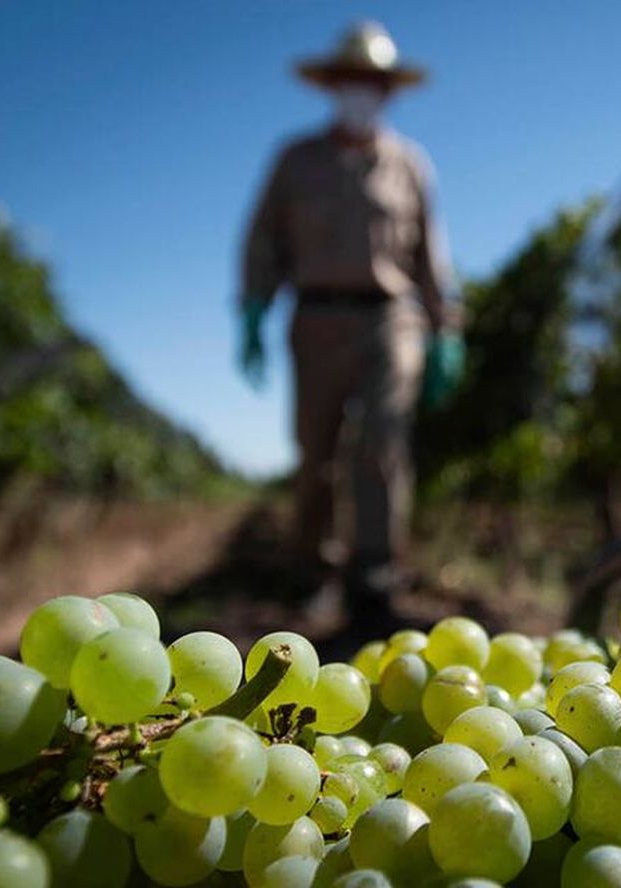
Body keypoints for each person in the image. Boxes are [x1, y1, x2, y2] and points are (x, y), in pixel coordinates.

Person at [238, 21, 458, 622]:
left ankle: (377, 576)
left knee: (383, 442)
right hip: (316, 318)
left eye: (374, 83)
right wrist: (253, 310)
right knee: (318, 450)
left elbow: (430, 255)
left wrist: (445, 330)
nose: (362, 92)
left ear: (388, 92)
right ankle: (314, 567)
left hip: (391, 318)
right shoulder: (295, 161)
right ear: (333, 86)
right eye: (352, 81)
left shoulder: (410, 166)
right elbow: (263, 240)